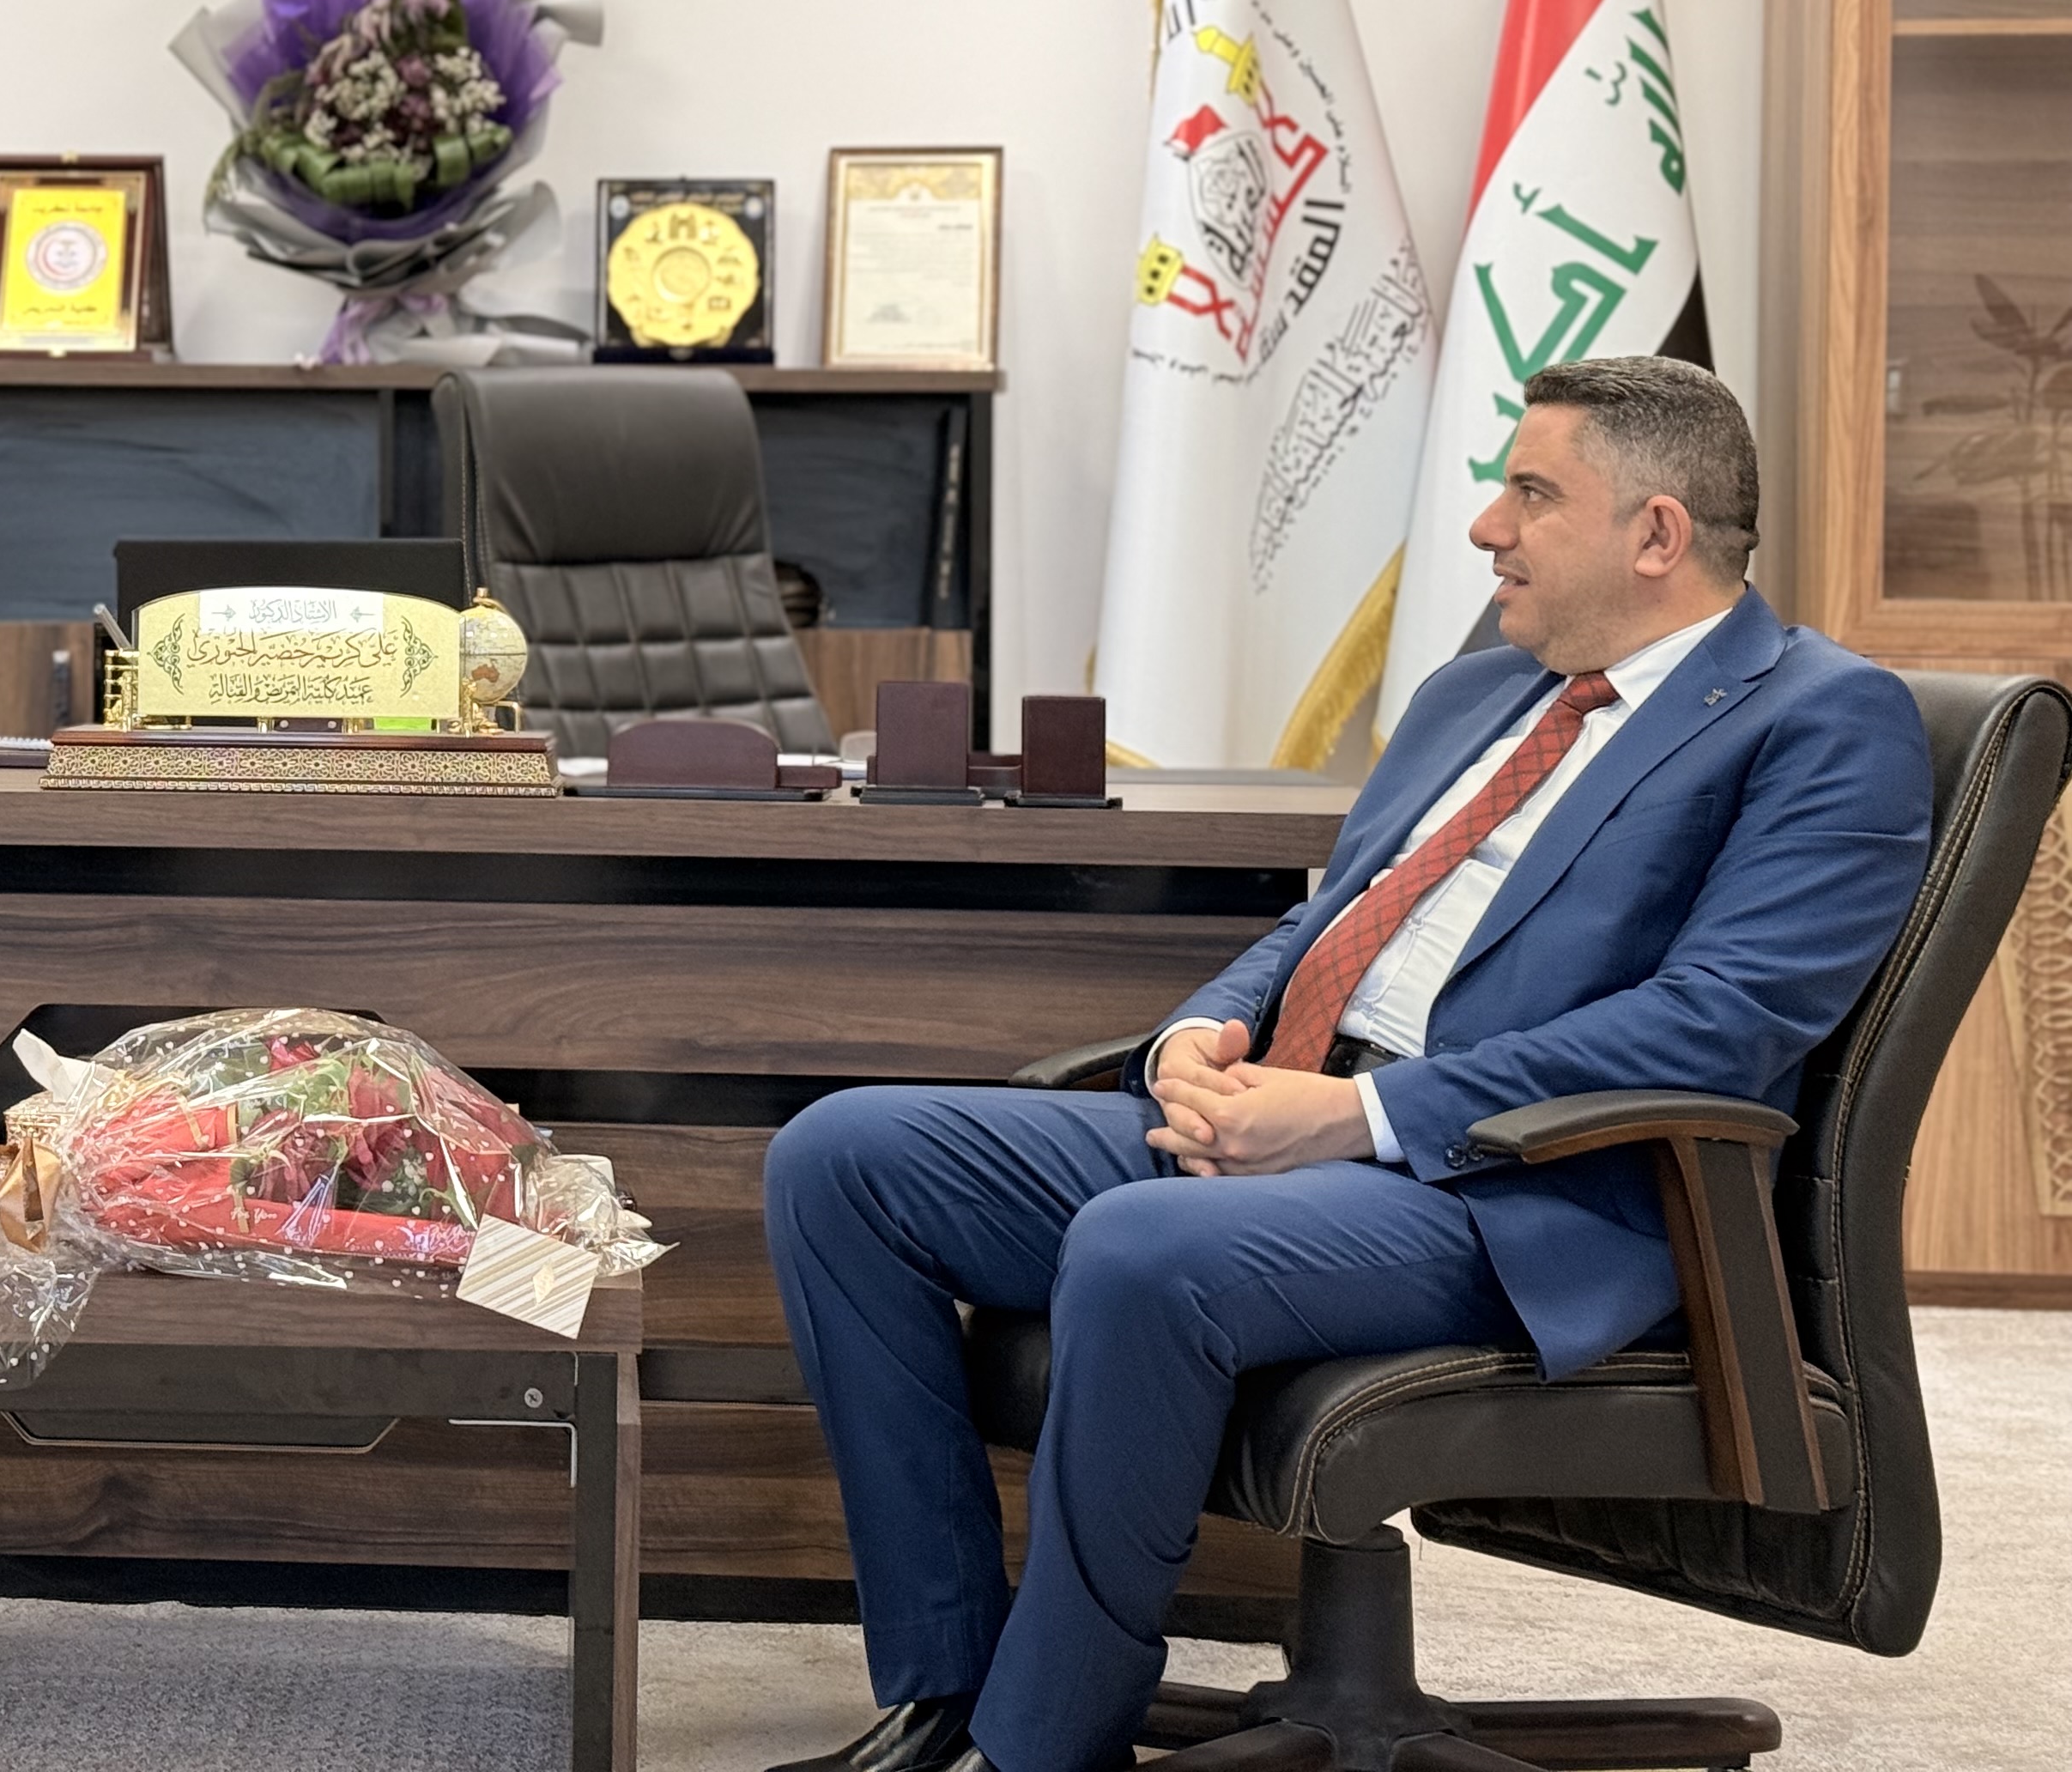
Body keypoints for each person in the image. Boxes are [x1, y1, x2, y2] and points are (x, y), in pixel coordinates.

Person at [760, 356, 1934, 1772]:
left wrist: (1360, 1114)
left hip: (1523, 1191)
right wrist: (1200, 1034)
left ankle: (1045, 1744)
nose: (1487, 528)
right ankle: (947, 1685)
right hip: (1308, 1111)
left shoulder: (1821, 718)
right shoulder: (1479, 691)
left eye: (1531, 494)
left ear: (1657, 533)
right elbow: (1331, 920)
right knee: (844, 1159)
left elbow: (1719, 1023)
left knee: (1141, 1243)